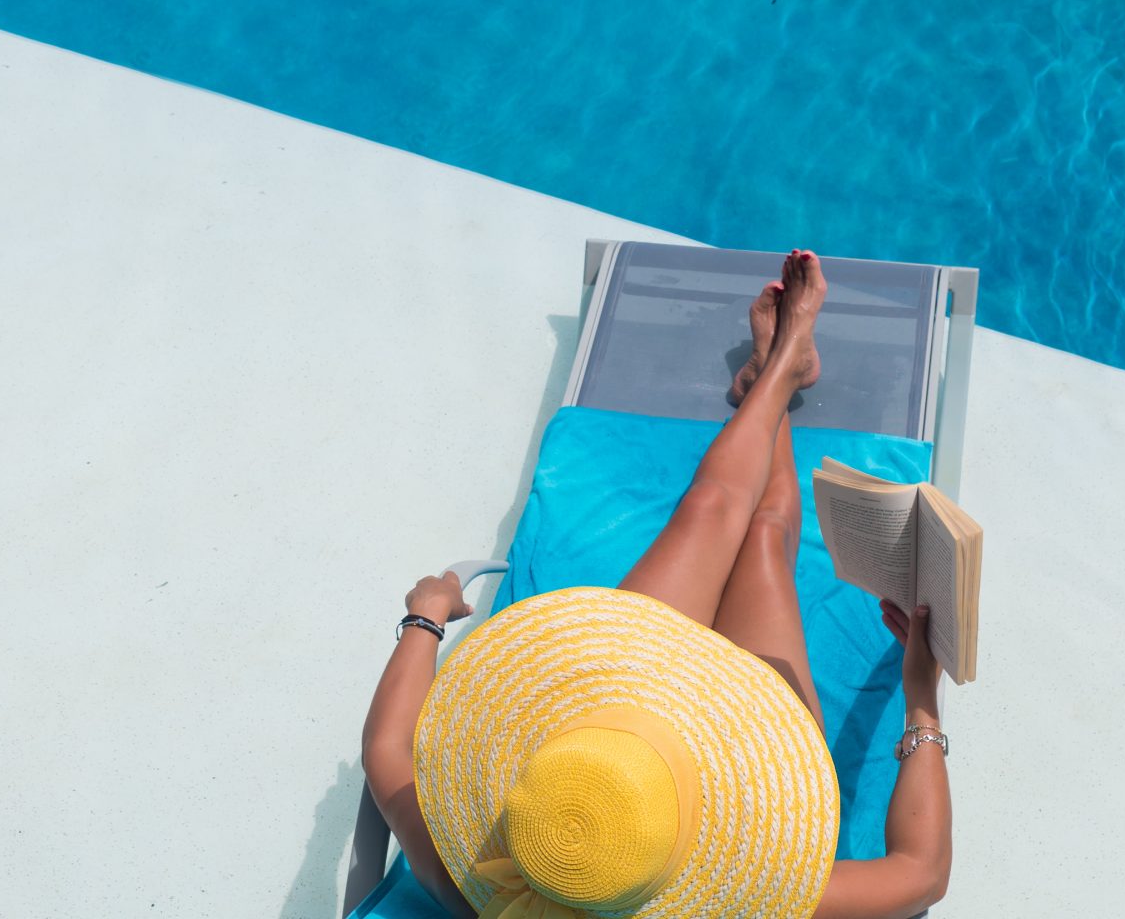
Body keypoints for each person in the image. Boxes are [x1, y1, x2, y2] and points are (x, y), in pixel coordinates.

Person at [361, 250, 952, 919]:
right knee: (760, 540)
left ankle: (780, 372)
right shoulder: (747, 899)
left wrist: (424, 619)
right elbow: (919, 874)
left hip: (606, 729)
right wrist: (922, 699)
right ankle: (781, 374)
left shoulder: (492, 882)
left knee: (713, 513)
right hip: (701, 767)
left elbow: (388, 756)